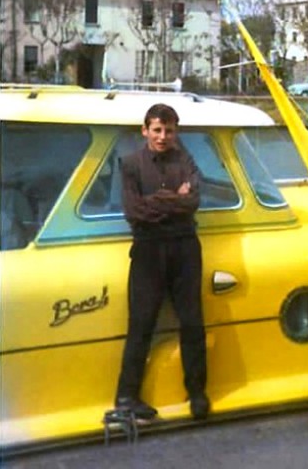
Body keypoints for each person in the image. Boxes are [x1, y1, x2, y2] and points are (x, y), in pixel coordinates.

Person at [114, 103, 209, 421]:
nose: (163, 136)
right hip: (148, 251)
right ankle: (127, 398)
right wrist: (173, 200)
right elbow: (134, 212)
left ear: (175, 131)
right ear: (145, 131)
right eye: (157, 129)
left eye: (169, 130)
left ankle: (197, 392)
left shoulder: (186, 160)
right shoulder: (129, 164)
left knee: (192, 321)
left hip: (185, 249)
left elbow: (193, 201)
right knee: (141, 325)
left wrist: (155, 201)